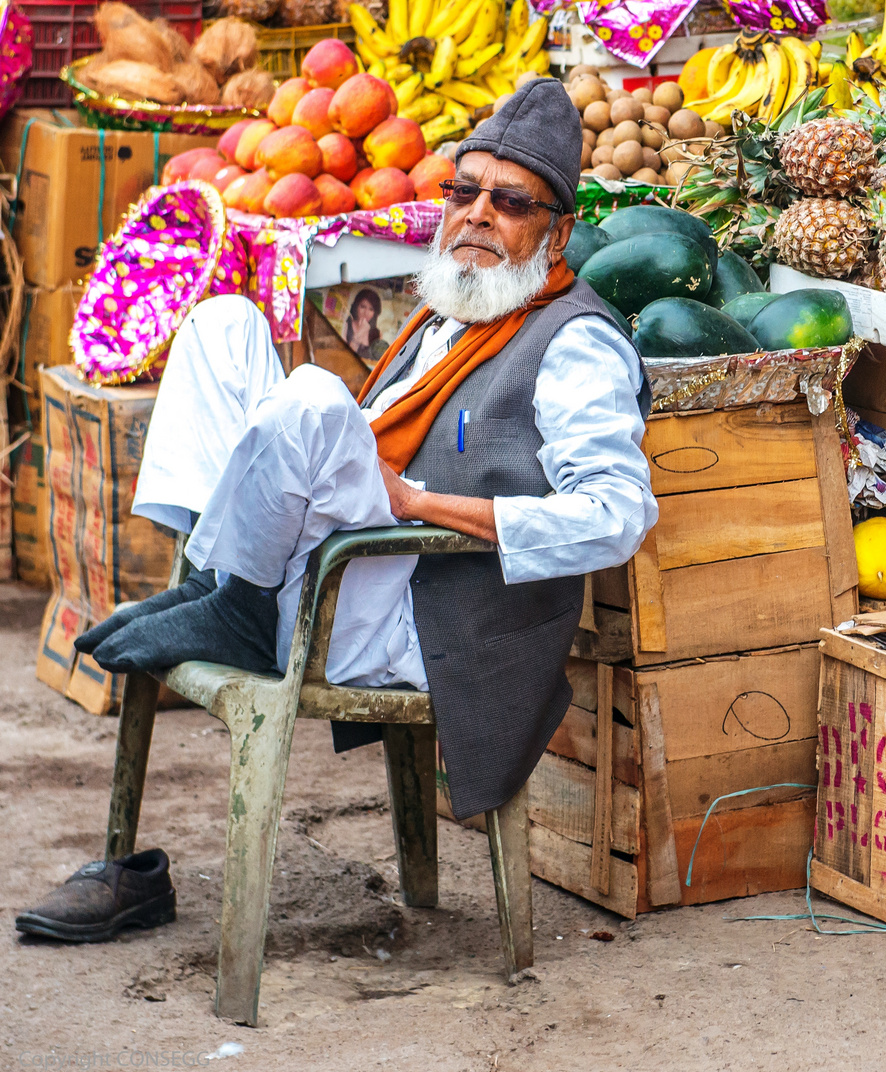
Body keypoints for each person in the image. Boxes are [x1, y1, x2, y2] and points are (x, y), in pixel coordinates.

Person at [16, 78, 656, 943]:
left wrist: (423, 502)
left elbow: (619, 515)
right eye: (463, 191)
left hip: (417, 620)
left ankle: (234, 605)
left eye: (509, 203)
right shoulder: (450, 311)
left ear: (558, 229)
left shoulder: (576, 341)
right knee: (224, 325)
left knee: (315, 396)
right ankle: (214, 585)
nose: (475, 216)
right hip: (344, 571)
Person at [344, 286, 386, 362]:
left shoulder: (377, 333)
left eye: (371, 309)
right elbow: (346, 356)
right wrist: (360, 332)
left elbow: (378, 360)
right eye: (363, 307)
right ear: (356, 306)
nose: (366, 313)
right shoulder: (346, 325)